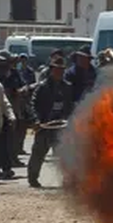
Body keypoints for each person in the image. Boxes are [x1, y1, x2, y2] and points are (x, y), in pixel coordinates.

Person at [28, 56, 74, 188]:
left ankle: (68, 180)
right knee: (38, 153)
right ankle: (33, 178)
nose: (59, 72)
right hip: (45, 126)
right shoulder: (42, 87)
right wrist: (36, 121)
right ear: (51, 70)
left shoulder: (67, 87)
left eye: (61, 70)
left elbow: (70, 106)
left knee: (64, 154)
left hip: (61, 127)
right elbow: (33, 104)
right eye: (56, 70)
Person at [0, 50, 26, 169]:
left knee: (11, 137)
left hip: (12, 108)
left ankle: (11, 159)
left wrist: (22, 91)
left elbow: (21, 86)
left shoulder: (14, 73)